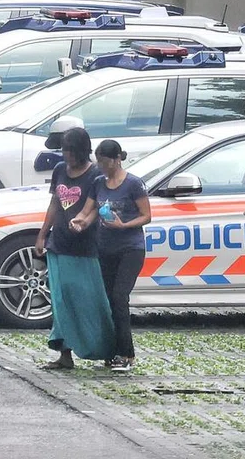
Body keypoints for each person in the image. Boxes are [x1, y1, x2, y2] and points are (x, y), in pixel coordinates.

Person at [34, 125, 115, 369]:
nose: (65, 155)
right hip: (58, 244)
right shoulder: (60, 169)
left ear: (81, 151)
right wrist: (42, 235)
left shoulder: (95, 176)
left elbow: (94, 207)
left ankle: (107, 349)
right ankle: (64, 352)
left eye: (70, 151)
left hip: (85, 247)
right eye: (63, 150)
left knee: (90, 300)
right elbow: (55, 204)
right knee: (61, 301)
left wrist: (81, 221)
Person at [73, 139, 152, 372]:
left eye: (105, 162)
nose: (102, 166)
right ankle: (111, 349)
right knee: (107, 300)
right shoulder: (98, 183)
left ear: (117, 159)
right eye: (99, 162)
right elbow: (89, 211)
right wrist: (80, 221)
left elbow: (146, 216)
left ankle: (127, 354)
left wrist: (124, 225)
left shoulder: (134, 184)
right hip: (105, 247)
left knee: (119, 297)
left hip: (130, 248)